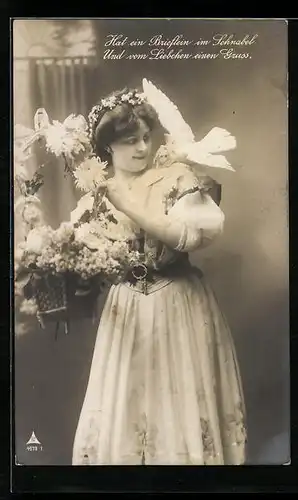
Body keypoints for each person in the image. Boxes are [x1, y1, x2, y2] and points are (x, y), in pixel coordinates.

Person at [72, 86, 247, 465]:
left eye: (146, 137)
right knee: (127, 409)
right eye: (129, 140)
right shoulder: (94, 195)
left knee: (179, 401)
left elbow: (187, 236)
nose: (141, 148)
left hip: (177, 302)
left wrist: (128, 204)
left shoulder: (176, 177)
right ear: (108, 147)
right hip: (126, 310)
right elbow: (85, 255)